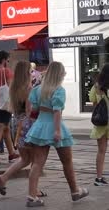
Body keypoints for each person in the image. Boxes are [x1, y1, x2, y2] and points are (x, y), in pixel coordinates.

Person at [25, 62, 88, 207]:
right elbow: (57, 111)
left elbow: (34, 109)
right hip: (55, 125)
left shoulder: (37, 90)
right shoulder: (59, 90)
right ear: (59, 74)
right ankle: (75, 191)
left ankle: (31, 196)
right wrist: (57, 130)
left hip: (40, 126)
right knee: (67, 161)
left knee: (37, 163)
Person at [0, 61, 46, 197]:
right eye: (29, 71)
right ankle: (34, 191)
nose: (31, 73)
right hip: (28, 126)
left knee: (25, 159)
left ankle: (3, 178)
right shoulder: (28, 88)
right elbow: (29, 110)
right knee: (35, 160)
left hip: (17, 125)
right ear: (26, 72)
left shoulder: (14, 87)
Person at [89, 63, 109, 186]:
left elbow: (93, 103)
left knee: (101, 151)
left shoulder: (96, 87)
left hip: (101, 122)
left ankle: (99, 178)